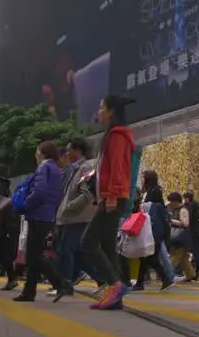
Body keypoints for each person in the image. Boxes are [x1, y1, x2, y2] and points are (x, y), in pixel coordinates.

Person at [89, 95, 136, 310]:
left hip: (114, 197)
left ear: (111, 112)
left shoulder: (117, 136)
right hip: (110, 197)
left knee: (87, 243)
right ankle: (115, 295)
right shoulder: (113, 135)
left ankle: (115, 285)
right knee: (108, 247)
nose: (98, 112)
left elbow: (117, 168)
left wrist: (111, 196)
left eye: (101, 107)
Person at [14, 141, 68, 302]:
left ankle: (60, 282)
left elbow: (39, 191)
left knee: (33, 257)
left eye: (37, 151)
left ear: (43, 153)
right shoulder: (56, 169)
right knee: (34, 256)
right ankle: (28, 292)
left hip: (38, 215)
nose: (36, 154)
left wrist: (25, 206)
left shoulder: (44, 167)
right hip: (48, 216)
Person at [55, 138, 100, 289]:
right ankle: (103, 280)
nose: (67, 153)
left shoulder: (86, 167)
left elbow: (87, 194)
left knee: (67, 251)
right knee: (77, 254)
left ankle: (65, 284)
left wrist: (69, 207)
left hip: (77, 218)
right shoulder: (76, 168)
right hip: (70, 218)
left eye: (69, 150)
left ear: (78, 150)